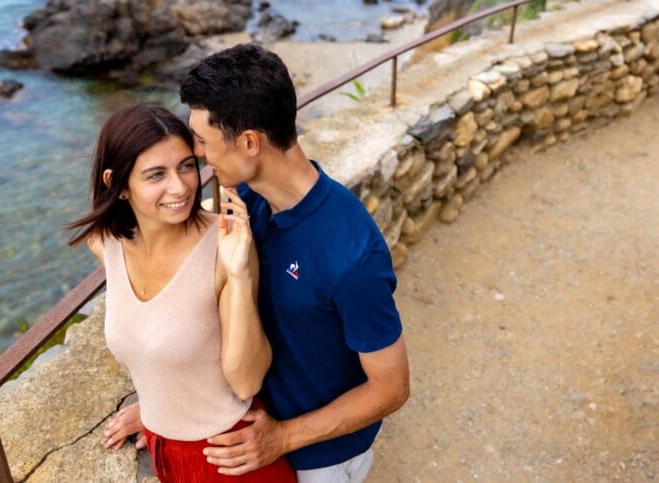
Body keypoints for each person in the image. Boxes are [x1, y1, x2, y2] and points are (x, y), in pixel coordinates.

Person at [178, 44, 410, 482]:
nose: (200, 154)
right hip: (257, 433)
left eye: (204, 141)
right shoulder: (245, 202)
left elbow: (392, 387)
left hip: (321, 461)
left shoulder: (351, 255)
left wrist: (282, 438)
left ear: (250, 142)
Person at [66, 102, 295, 483]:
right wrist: (154, 408)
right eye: (156, 174)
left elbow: (246, 381)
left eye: (187, 166)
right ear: (117, 185)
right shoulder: (105, 243)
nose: (181, 186)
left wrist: (238, 276)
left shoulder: (227, 243)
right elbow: (153, 338)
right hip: (164, 453)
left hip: (231, 457)